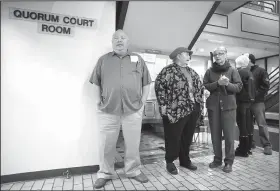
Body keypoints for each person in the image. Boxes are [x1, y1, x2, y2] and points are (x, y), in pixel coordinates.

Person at [89, 30, 152, 188]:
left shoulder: (138, 59)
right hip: (108, 110)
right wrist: (98, 101)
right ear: (111, 42)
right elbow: (96, 82)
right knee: (106, 144)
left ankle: (133, 171)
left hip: (132, 109)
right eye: (115, 38)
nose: (119, 40)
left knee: (133, 143)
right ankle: (105, 173)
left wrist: (142, 101)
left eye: (122, 38)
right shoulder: (103, 60)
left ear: (128, 42)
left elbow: (146, 82)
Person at [154, 47, 204, 175]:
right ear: (178, 55)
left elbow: (199, 87)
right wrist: (163, 106)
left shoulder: (191, 71)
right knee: (173, 136)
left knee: (187, 136)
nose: (188, 56)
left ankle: (185, 160)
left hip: (192, 109)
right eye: (186, 54)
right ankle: (170, 161)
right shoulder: (167, 71)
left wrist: (200, 99)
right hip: (175, 110)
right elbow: (160, 88)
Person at [203, 46, 242, 173]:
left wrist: (227, 84)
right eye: (215, 54)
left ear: (226, 54)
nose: (218, 56)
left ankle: (229, 162)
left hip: (229, 108)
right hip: (213, 108)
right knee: (215, 136)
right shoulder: (209, 71)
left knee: (230, 136)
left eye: (220, 53)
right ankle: (217, 159)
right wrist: (217, 84)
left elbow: (239, 87)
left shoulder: (233, 70)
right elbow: (205, 86)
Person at [247, 54, 272, 155]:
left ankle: (267, 145)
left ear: (249, 60)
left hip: (258, 102)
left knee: (261, 124)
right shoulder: (245, 71)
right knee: (248, 124)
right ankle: (250, 143)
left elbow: (266, 85)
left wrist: (254, 94)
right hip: (247, 103)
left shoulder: (261, 71)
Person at [235, 55, 255, 157]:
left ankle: (242, 150)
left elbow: (237, 88)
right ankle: (248, 148)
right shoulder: (249, 73)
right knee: (248, 125)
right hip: (249, 102)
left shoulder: (239, 73)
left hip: (241, 102)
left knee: (242, 125)